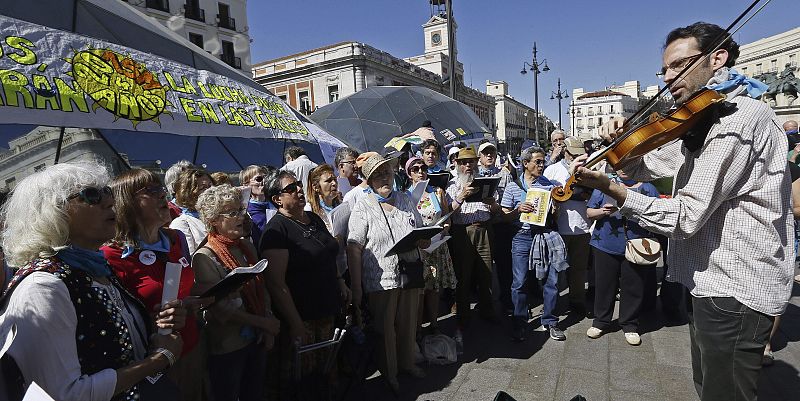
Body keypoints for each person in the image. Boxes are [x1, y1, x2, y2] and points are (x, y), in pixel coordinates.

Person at [575, 22, 793, 401]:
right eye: (665, 70)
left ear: (718, 58)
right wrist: (625, 150)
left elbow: (686, 215)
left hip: (735, 285)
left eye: (680, 65)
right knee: (707, 386)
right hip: (710, 283)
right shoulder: (704, 118)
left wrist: (613, 190)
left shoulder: (738, 118)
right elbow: (649, 167)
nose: (670, 78)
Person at [0, 162, 184, 401]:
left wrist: (155, 324)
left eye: (107, 191)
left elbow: (114, 340)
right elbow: (66, 394)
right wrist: (159, 360)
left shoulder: (93, 267)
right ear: (53, 211)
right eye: (92, 195)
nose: (109, 201)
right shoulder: (43, 286)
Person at [101, 168, 208, 401]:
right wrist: (152, 318)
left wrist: (197, 299)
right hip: (153, 365)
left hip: (191, 347)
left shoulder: (174, 239)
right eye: (151, 190)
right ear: (127, 202)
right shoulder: (110, 256)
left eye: (161, 188)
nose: (162, 194)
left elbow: (184, 288)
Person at [261, 171, 347, 399]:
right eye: (290, 189)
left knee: (327, 370)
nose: (299, 190)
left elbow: (328, 254)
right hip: (302, 316)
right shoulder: (275, 231)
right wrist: (295, 322)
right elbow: (276, 283)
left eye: (298, 185)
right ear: (277, 199)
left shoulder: (314, 218)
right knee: (305, 377)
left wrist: (340, 281)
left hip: (327, 309)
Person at [347, 154, 427, 394]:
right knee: (384, 329)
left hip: (409, 272)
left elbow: (421, 230)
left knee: (408, 323)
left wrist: (426, 237)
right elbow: (353, 246)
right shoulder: (362, 206)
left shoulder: (405, 199)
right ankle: (390, 373)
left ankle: (407, 363)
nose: (384, 178)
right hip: (380, 278)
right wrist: (357, 285)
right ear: (369, 180)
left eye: (387, 172)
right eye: (378, 174)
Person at [191, 184, 279, 401]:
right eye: (232, 213)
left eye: (240, 210)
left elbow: (262, 287)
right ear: (213, 220)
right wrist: (263, 323)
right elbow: (220, 307)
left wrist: (267, 318)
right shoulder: (204, 256)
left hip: (255, 339)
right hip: (228, 347)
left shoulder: (245, 247)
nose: (241, 216)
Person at [500, 147, 568, 342]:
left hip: (544, 234)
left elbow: (555, 216)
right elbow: (503, 216)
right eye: (537, 162)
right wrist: (517, 210)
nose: (541, 165)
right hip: (521, 237)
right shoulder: (513, 186)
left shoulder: (549, 186)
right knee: (519, 282)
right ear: (525, 164)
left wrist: (556, 208)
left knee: (551, 280)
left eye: (542, 161)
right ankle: (520, 321)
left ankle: (550, 321)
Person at [584, 172, 659, 346]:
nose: (623, 169)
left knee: (634, 285)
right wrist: (603, 211)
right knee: (604, 285)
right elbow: (589, 212)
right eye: (620, 165)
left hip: (637, 245)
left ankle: (630, 324)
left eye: (628, 163)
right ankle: (601, 321)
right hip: (605, 244)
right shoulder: (605, 185)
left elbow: (657, 216)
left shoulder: (648, 188)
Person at [446, 147, 502, 344]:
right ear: (457, 164)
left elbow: (496, 211)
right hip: (463, 231)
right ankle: (463, 315)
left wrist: (492, 202)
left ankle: (487, 310)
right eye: (464, 162)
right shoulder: (452, 184)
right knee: (464, 275)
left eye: (471, 161)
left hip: (484, 229)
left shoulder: (485, 182)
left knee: (486, 271)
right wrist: (461, 195)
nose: (468, 165)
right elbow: (448, 212)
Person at [405, 157, 456, 336]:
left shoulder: (437, 192)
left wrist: (444, 230)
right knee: (419, 291)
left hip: (437, 246)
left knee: (434, 289)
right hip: (419, 249)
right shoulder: (406, 195)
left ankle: (434, 324)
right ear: (409, 173)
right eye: (415, 169)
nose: (420, 172)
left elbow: (446, 217)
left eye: (423, 168)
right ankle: (417, 327)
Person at [543, 136, 593, 317]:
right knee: (556, 270)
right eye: (573, 154)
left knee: (579, 269)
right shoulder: (553, 170)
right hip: (559, 227)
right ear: (565, 151)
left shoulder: (587, 169)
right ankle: (552, 303)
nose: (576, 158)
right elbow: (549, 194)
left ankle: (577, 300)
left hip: (582, 226)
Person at [477, 141, 515, 314]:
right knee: (483, 267)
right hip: (483, 225)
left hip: (500, 224)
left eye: (492, 152)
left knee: (504, 265)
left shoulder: (504, 174)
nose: (489, 155)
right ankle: (484, 301)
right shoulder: (475, 174)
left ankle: (506, 299)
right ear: (480, 157)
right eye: (486, 153)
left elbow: (511, 196)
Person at [169, 168, 214, 254]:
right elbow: (189, 260)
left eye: (210, 186)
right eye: (203, 188)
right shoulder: (182, 223)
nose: (211, 191)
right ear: (189, 193)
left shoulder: (217, 218)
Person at [240, 165, 277, 248]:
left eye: (265, 178)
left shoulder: (275, 204)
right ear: (246, 184)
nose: (263, 182)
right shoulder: (245, 210)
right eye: (259, 179)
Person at [305, 164, 341, 232]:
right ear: (316, 187)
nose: (334, 183)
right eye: (328, 181)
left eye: (335, 179)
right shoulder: (309, 210)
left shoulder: (341, 205)